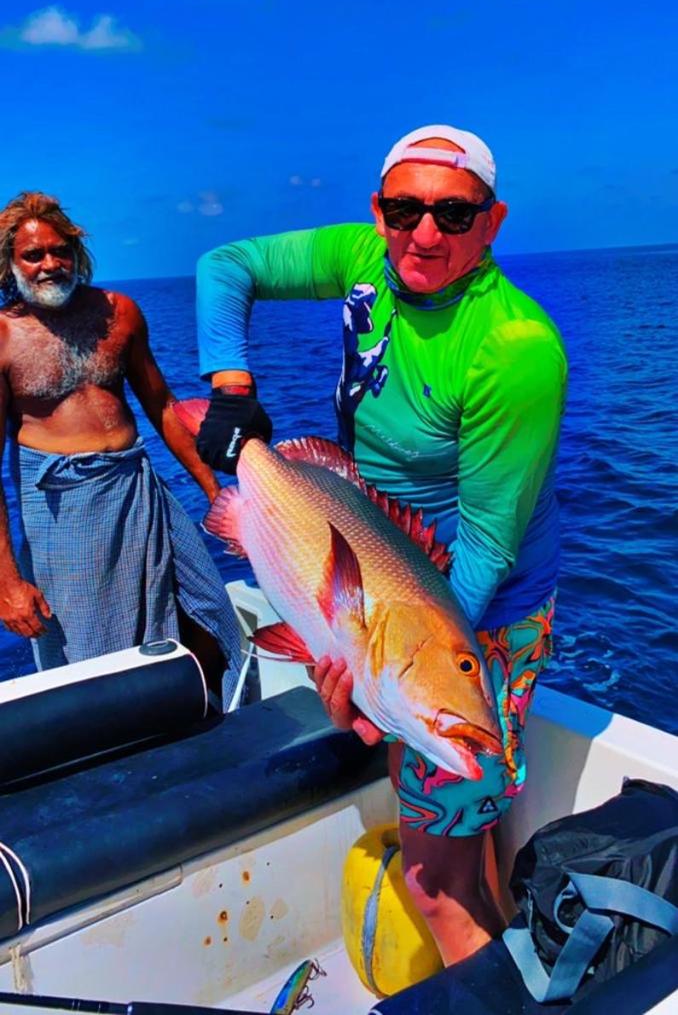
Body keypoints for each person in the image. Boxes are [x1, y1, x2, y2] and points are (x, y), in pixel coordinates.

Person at [194, 124, 567, 963]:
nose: (424, 234)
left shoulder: (514, 350)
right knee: (463, 849)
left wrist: (375, 683)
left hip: (473, 615)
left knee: (433, 885)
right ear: (379, 211)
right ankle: (515, 969)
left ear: (493, 220)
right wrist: (231, 385)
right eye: (404, 210)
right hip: (385, 584)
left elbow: (483, 553)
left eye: (454, 214)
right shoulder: (368, 255)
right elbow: (226, 265)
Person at [0, 191, 242, 708]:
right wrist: (8, 581)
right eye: (33, 255)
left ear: (76, 251)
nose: (50, 264)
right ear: (10, 262)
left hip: (141, 490)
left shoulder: (119, 313)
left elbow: (163, 407)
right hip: (64, 513)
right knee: (93, 655)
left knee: (211, 616)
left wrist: (218, 495)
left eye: (60, 250)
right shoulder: (3, 336)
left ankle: (213, 725)